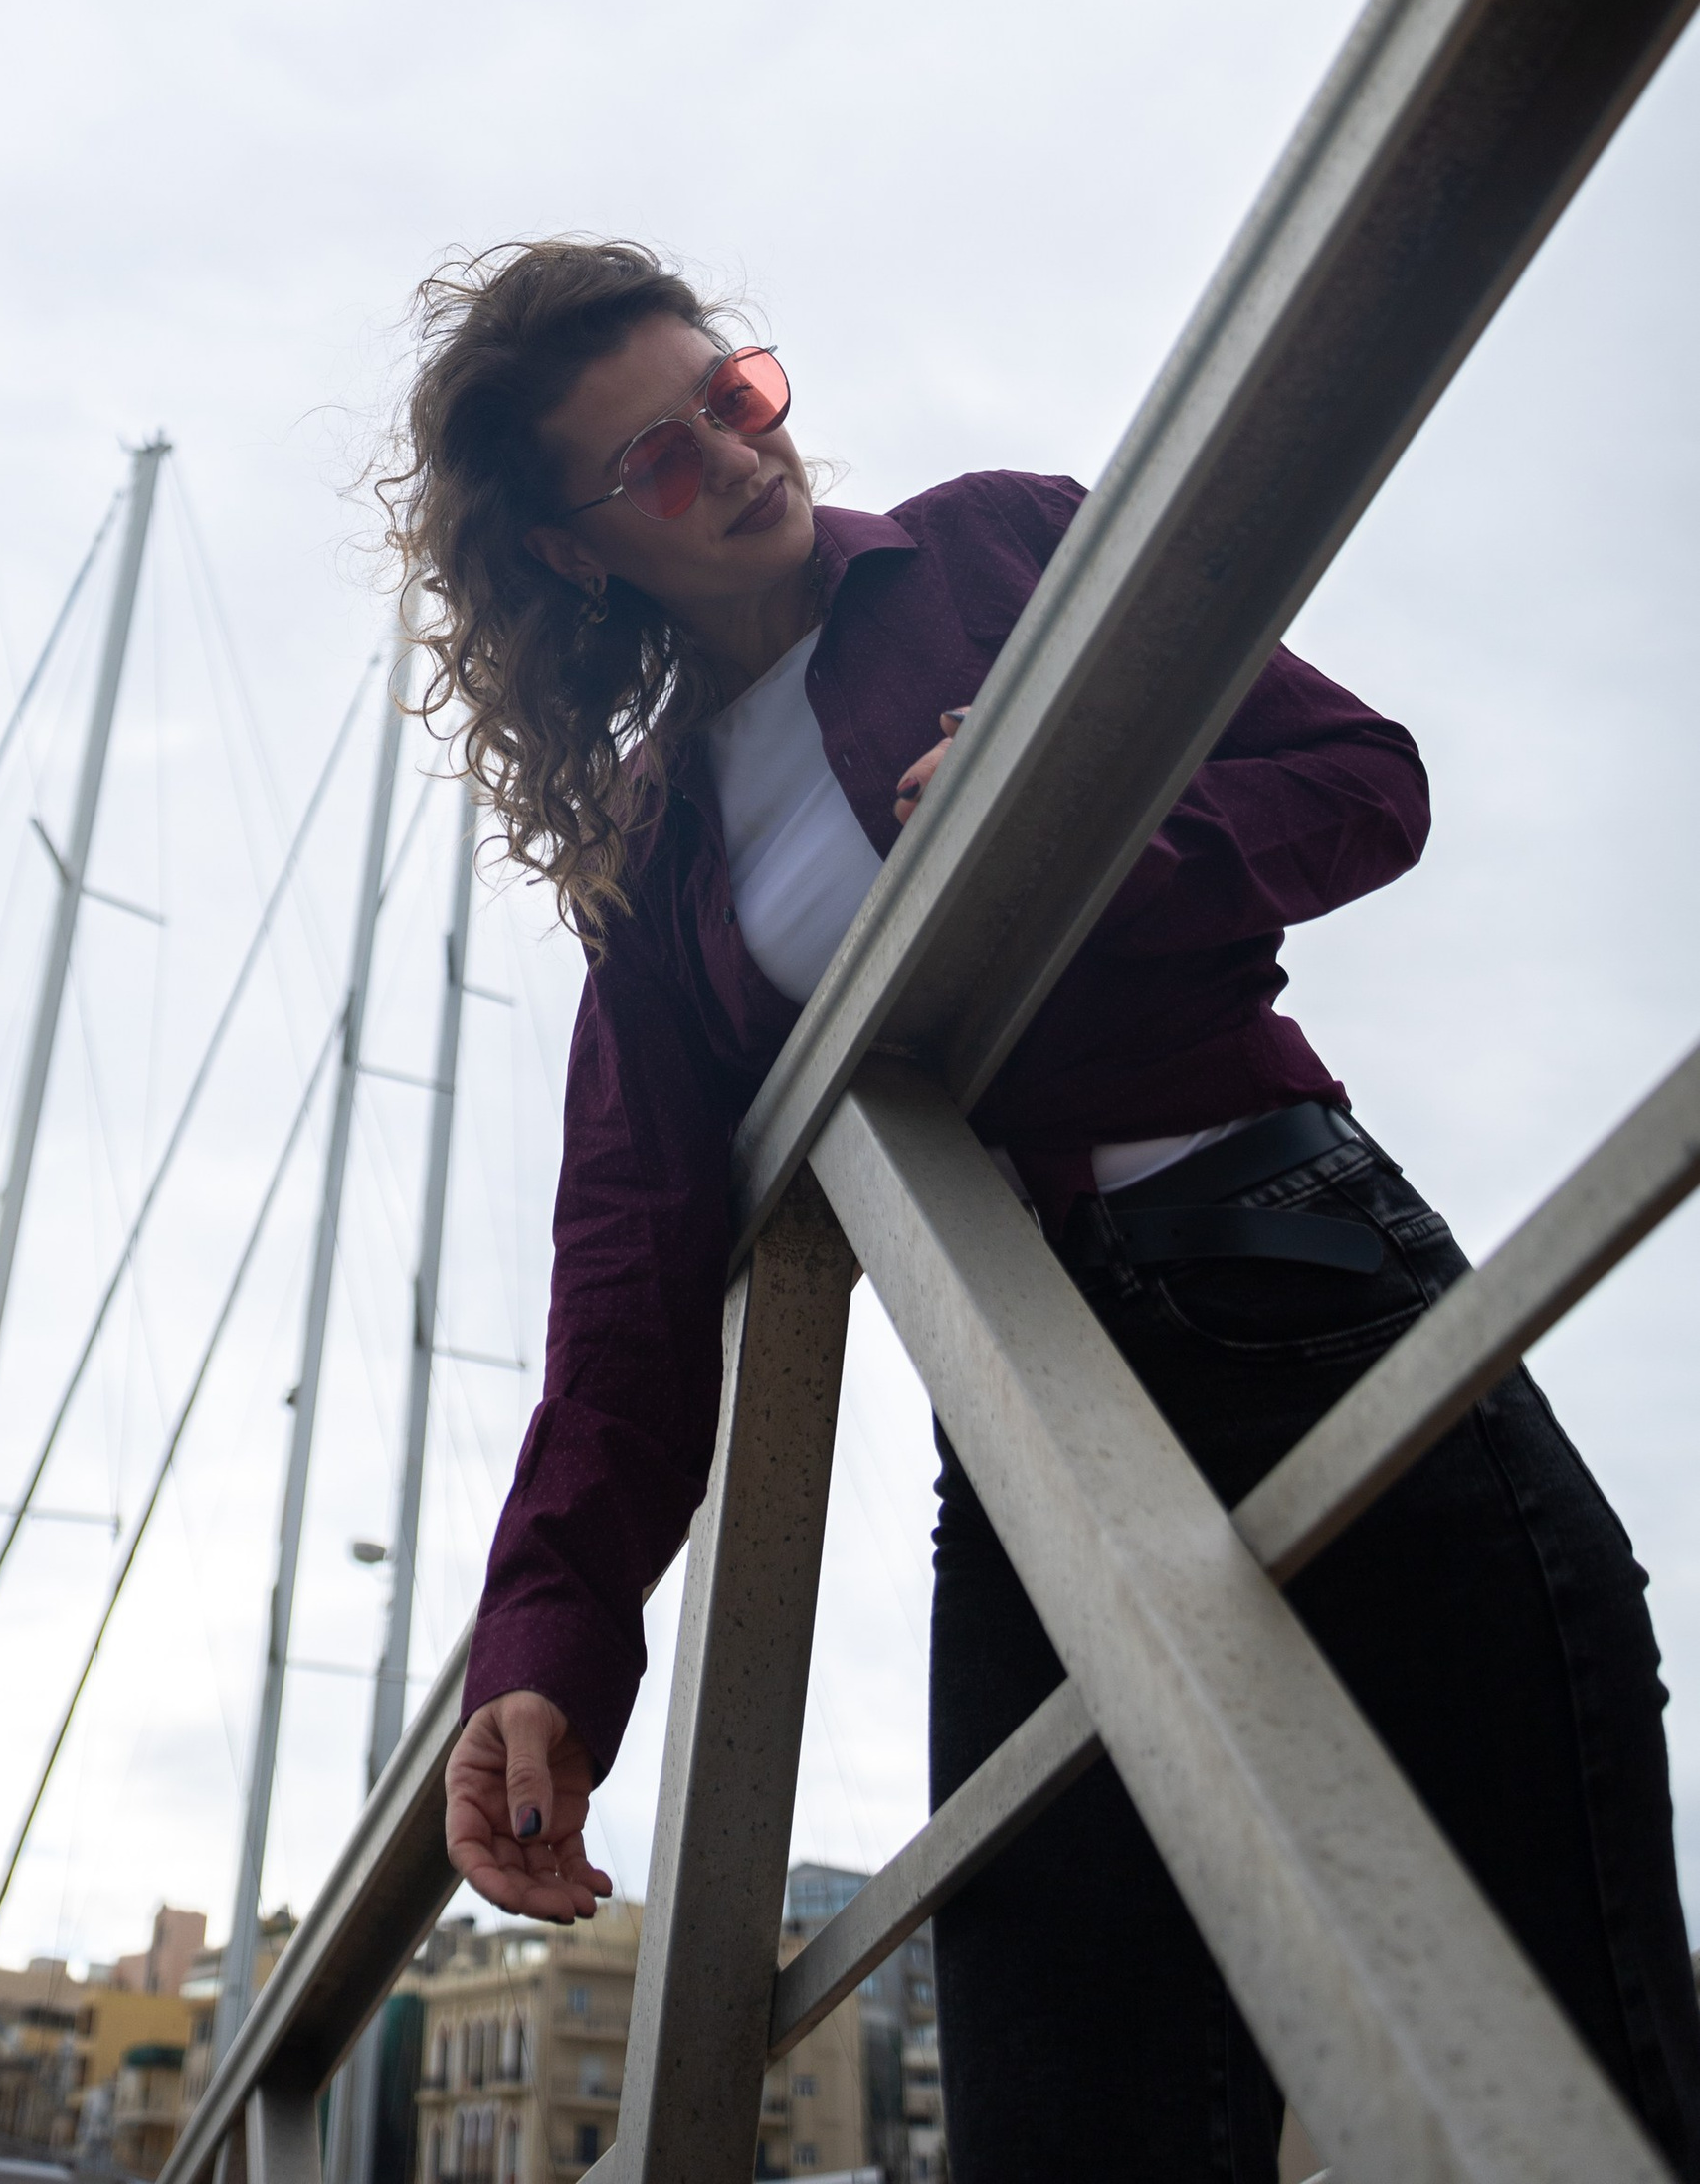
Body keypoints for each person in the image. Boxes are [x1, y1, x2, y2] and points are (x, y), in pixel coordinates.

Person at [378, 236, 1700, 2184]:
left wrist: (1101, 823)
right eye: (657, 461)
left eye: (733, 398)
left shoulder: (997, 548)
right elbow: (628, 1285)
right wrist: (542, 1651)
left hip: (1304, 1275)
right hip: (1017, 1431)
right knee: (1066, 2115)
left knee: (1566, 2021)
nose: (737, 461)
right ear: (577, 552)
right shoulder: (652, 863)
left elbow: (1357, 780)